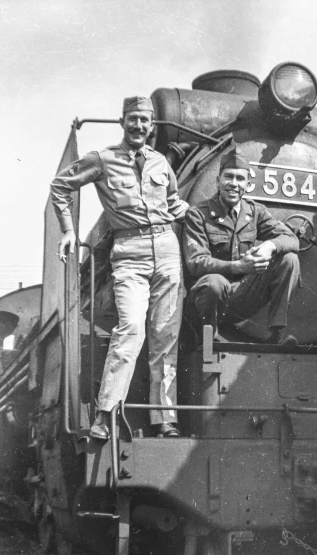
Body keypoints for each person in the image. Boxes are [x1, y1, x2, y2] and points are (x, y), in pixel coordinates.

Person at [51, 96, 187, 439]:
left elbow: (171, 201)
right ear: (122, 121)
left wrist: (183, 208)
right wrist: (68, 230)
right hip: (129, 252)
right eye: (132, 119)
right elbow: (60, 186)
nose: (139, 126)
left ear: (152, 124)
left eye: (145, 120)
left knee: (165, 339)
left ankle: (164, 419)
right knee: (131, 330)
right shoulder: (103, 159)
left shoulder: (160, 163)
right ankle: (105, 414)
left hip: (168, 252)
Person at [183, 147, 300, 345]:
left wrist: (269, 246)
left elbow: (291, 239)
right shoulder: (198, 214)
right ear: (218, 180)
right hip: (207, 300)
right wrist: (238, 266)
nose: (234, 184)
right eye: (229, 177)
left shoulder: (255, 212)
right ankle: (206, 343)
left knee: (290, 259)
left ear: (247, 184)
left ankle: (277, 335)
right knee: (214, 282)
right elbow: (196, 262)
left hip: (242, 296)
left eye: (240, 179)